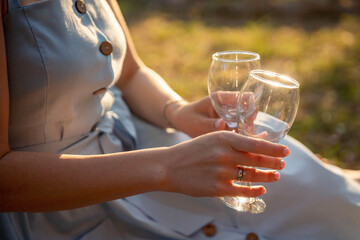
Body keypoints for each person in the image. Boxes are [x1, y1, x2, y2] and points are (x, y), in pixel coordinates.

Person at [0, 0, 359, 239]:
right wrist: (169, 167)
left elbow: (131, 73)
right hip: (64, 204)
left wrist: (177, 111)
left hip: (142, 138)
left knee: (330, 195)